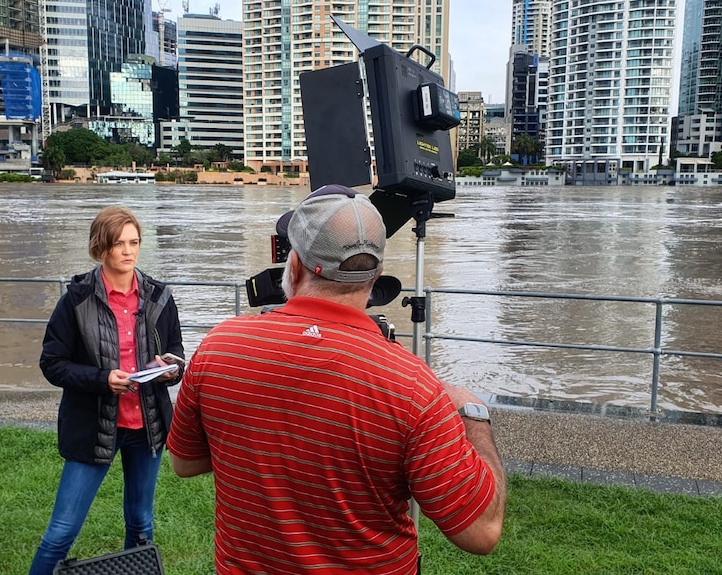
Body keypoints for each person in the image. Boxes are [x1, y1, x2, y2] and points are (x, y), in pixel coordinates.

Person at [167, 184, 506, 574]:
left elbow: (185, 463)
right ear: (376, 275)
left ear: (293, 266)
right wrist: (473, 417)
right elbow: (482, 531)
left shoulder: (218, 347)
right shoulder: (412, 386)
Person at [29, 206, 185, 575]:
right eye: (119, 244)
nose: (129, 251)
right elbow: (52, 364)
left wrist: (168, 368)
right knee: (61, 532)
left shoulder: (160, 297)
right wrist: (103, 379)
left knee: (141, 524)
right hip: (93, 426)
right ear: (101, 248)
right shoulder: (76, 300)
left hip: (146, 427)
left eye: (134, 242)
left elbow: (177, 353)